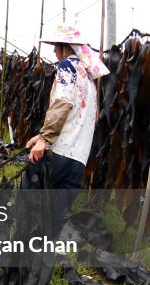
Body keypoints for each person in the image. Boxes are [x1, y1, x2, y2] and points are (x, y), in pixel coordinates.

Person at [23, 24, 110, 232]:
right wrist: (41, 135)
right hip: (78, 161)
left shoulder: (67, 67)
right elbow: (78, 117)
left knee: (28, 202)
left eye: (56, 46)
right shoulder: (88, 78)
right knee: (55, 217)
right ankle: (42, 260)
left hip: (59, 154)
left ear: (66, 47)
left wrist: (44, 139)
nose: (54, 51)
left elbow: (62, 103)